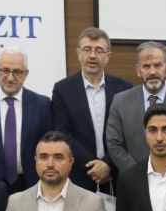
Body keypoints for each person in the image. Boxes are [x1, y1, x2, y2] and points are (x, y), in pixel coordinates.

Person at [50, 27, 133, 192]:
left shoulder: (124, 88)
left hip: (117, 175)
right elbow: (63, 134)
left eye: (99, 50)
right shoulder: (62, 90)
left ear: (108, 56)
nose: (93, 55)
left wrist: (108, 163)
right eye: (87, 49)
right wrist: (94, 166)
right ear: (78, 53)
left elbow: (128, 132)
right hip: (79, 175)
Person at [0, 47, 54, 193]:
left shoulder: (42, 105)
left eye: (17, 72)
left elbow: (50, 148)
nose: (10, 78)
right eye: (5, 70)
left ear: (26, 74)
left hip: (32, 185)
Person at [107, 41, 166, 173]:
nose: (152, 72)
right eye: (146, 66)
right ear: (138, 70)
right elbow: (114, 144)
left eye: (158, 65)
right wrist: (138, 173)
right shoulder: (120, 101)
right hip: (133, 179)